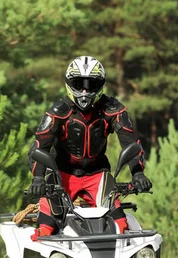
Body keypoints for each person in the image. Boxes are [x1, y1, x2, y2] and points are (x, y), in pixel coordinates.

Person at [27, 56, 152, 240]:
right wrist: (38, 179)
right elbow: (40, 146)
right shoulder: (58, 111)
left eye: (91, 84)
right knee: (46, 228)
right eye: (79, 84)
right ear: (69, 83)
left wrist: (137, 174)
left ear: (101, 85)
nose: (85, 91)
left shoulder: (112, 109)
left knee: (120, 225)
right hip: (62, 176)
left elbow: (131, 143)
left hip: (98, 175)